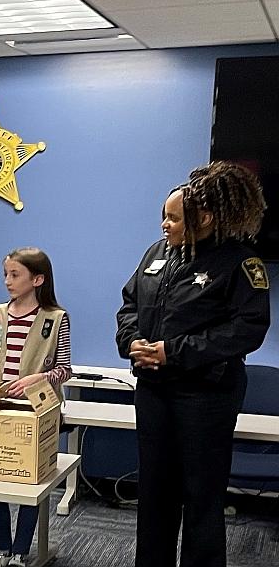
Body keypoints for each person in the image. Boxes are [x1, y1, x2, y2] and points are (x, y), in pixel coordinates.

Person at [116, 162, 271, 567]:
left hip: (205, 397)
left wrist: (175, 351)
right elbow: (130, 303)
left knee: (202, 497)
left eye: (173, 217)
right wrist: (131, 341)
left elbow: (247, 330)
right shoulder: (157, 253)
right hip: (153, 390)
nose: (164, 225)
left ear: (204, 218)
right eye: (163, 216)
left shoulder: (240, 263)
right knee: (154, 494)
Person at [0, 247, 72, 567]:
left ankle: (20, 551)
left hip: (36, 412)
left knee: (30, 482)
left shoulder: (56, 318)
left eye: (14, 275)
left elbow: (64, 369)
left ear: (37, 279)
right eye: (5, 273)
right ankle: (3, 548)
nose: (7, 281)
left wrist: (37, 379)